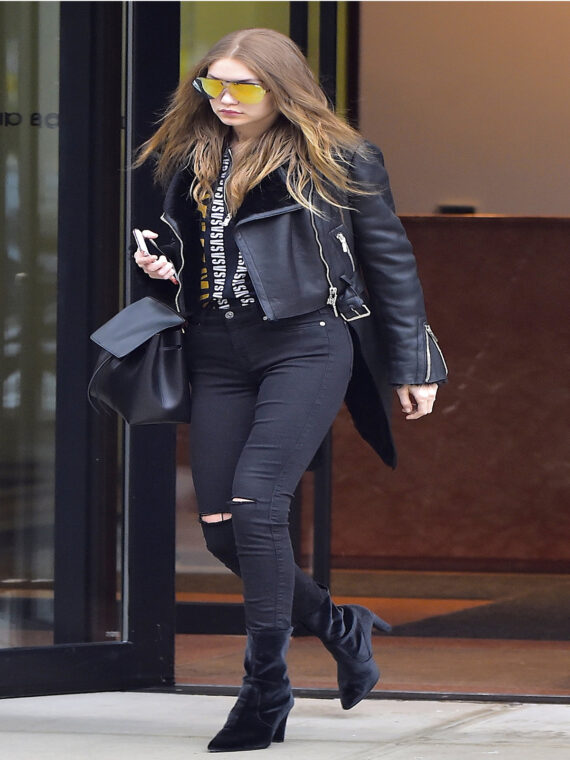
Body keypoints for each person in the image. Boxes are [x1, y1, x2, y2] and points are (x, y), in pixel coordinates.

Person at [133, 27, 447, 753]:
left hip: (306, 343)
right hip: (217, 349)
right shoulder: (194, 155)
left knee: (257, 503)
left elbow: (390, 262)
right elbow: (196, 252)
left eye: (243, 85)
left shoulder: (338, 158)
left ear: (283, 88)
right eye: (214, 84)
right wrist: (162, 266)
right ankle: (342, 626)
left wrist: (414, 363)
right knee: (222, 531)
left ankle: (265, 689)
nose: (225, 99)